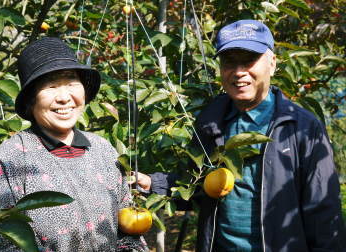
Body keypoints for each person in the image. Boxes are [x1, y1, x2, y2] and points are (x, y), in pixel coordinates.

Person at [135, 20, 346, 251]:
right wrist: (153, 184)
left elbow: (323, 212)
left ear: (272, 64)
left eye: (249, 61)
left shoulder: (302, 128)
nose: (238, 72)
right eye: (229, 62)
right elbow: (195, 185)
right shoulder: (210, 121)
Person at [0, 37, 148, 251]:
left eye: (70, 83)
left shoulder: (103, 150)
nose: (63, 97)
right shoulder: (10, 159)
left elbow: (128, 226)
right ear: (31, 101)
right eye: (50, 86)